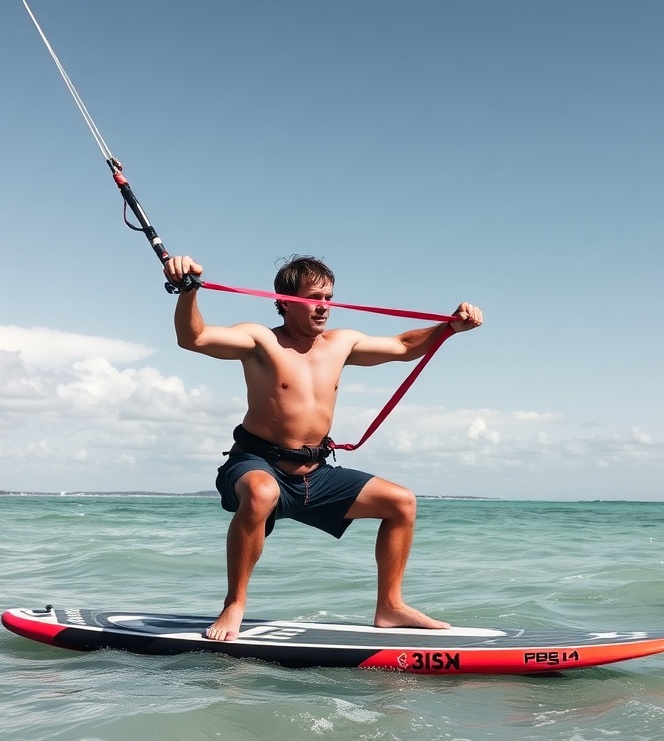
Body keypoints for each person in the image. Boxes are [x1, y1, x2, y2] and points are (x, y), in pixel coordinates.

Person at [163, 254, 483, 641]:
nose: (323, 306)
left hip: (317, 474)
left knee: (401, 502)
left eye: (329, 297)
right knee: (262, 493)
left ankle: (390, 607)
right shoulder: (260, 341)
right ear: (285, 301)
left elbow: (402, 345)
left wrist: (449, 327)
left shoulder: (341, 344)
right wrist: (187, 290)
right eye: (314, 297)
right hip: (257, 463)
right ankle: (234, 604)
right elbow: (193, 337)